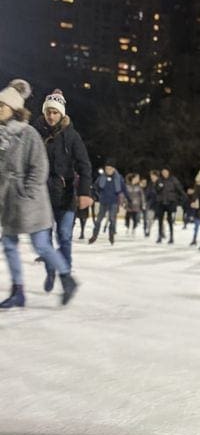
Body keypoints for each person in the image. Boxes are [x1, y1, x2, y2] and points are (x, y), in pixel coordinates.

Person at [0, 79, 78, 307]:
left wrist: (27, 191)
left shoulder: (28, 133)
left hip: (31, 202)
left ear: (14, 109)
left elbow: (40, 167)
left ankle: (66, 277)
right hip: (8, 201)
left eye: (2, 106)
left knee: (41, 245)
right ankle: (18, 291)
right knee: (9, 243)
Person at [33, 89, 93, 292]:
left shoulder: (72, 136)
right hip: (42, 196)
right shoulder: (36, 133)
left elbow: (85, 165)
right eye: (48, 111)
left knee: (65, 236)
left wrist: (85, 192)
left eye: (55, 112)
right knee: (46, 239)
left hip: (66, 195)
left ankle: (65, 275)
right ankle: (51, 271)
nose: (51, 116)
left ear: (62, 114)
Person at [88, 160, 128, 245]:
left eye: (110, 168)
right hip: (103, 202)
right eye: (106, 168)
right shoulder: (101, 177)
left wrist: (128, 199)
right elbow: (95, 187)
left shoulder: (118, 178)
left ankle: (111, 235)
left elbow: (124, 189)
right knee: (98, 220)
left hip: (113, 202)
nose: (108, 170)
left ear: (113, 169)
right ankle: (94, 236)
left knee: (112, 220)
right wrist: (93, 195)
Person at [155, 165, 186, 244]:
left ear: (168, 172)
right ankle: (160, 236)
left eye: (166, 172)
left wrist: (183, 197)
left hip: (170, 202)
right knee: (160, 220)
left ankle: (171, 237)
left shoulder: (173, 180)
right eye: (163, 172)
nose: (164, 173)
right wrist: (159, 187)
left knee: (170, 220)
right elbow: (156, 190)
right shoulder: (159, 180)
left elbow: (179, 189)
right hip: (161, 202)